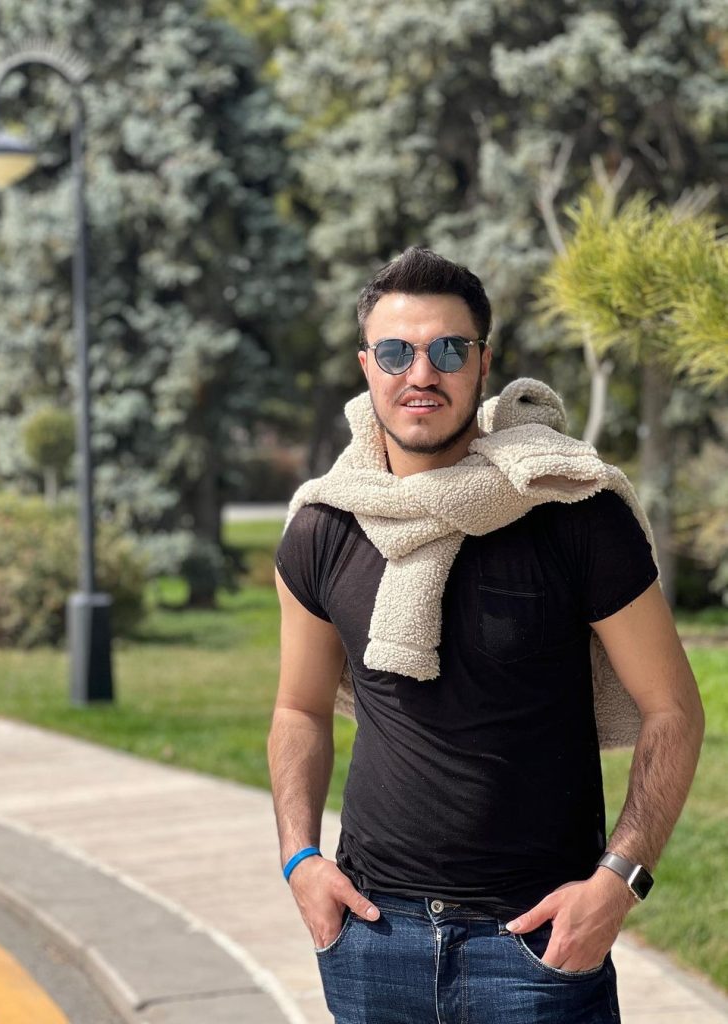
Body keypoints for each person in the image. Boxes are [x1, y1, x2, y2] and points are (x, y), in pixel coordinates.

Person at [268, 246, 704, 1024]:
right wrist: (299, 860)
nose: (421, 373)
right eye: (395, 352)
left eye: (448, 350)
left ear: (483, 362)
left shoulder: (569, 509)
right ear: (366, 365)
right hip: (371, 937)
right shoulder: (324, 526)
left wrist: (618, 882)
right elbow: (297, 709)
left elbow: (672, 709)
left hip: (535, 946)